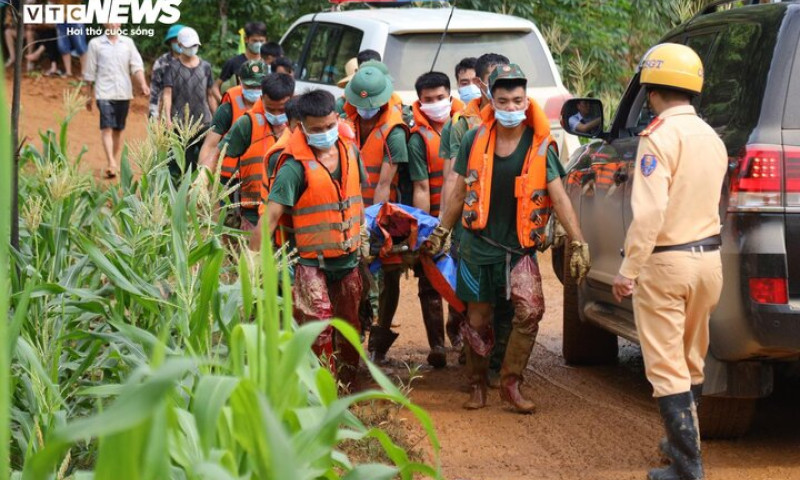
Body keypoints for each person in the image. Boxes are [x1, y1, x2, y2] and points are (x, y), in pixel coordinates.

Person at [424, 64, 590, 413]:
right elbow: (459, 193)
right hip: (478, 245)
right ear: (492, 100)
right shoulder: (473, 138)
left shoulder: (540, 143)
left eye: (518, 101)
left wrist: (577, 240)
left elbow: (558, 195)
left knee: (530, 311)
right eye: (504, 101)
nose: (512, 108)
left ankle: (511, 382)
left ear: (526, 100)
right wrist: (442, 230)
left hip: (519, 249)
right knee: (478, 318)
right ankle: (477, 383)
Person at [612, 43, 726, 480]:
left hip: (667, 263)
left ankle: (686, 466)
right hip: (708, 262)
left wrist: (628, 272)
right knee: (692, 357)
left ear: (651, 89)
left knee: (664, 363)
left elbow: (650, 214)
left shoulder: (658, 137)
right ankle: (680, 445)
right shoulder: (711, 137)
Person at [250, 89, 367, 388]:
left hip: (348, 256)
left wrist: (364, 238)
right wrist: (252, 265)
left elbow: (355, 197)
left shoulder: (349, 150)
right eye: (316, 130)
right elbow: (270, 217)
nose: (325, 134)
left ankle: (348, 389)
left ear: (337, 119)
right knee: (317, 330)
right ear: (301, 126)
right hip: (310, 262)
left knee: (350, 326)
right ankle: (321, 392)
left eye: (329, 127)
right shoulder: (293, 166)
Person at [381, 71, 463, 368]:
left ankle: (461, 336)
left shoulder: (465, 127)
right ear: (420, 102)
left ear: (450, 96)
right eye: (428, 99)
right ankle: (437, 345)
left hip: (465, 222)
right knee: (430, 282)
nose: (435, 103)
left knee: (461, 280)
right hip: (435, 219)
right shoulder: (418, 139)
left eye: (440, 98)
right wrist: (430, 229)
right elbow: (421, 186)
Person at [440, 52, 510, 378]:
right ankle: (478, 365)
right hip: (473, 226)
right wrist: (445, 228)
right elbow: (454, 182)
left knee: (508, 302)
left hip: (510, 228)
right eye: (495, 79)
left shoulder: (523, 122)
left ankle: (499, 367)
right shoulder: (465, 127)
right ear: (484, 84)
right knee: (473, 301)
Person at [342, 62, 409, 363]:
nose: (366, 109)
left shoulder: (394, 132)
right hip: (346, 212)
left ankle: (379, 344)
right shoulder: (344, 124)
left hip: (382, 214)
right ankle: (353, 337)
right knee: (351, 275)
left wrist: (371, 226)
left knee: (389, 275)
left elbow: (384, 182)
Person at [215, 73, 294, 229]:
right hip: (252, 213)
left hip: (289, 214)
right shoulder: (247, 124)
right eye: (271, 109)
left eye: (282, 109)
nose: (277, 115)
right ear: (262, 98)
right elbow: (218, 154)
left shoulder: (301, 125)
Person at [83, 23, 149, 179]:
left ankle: (111, 161)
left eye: (115, 20)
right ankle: (112, 162)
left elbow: (136, 66)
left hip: (123, 93)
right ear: (104, 24)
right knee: (107, 127)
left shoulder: (128, 43)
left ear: (120, 23)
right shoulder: (95, 44)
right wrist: (88, 94)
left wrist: (143, 84)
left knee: (118, 130)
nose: (112, 23)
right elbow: (90, 71)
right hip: (103, 92)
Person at [197, 59, 267, 190]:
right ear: (240, 81)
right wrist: (203, 179)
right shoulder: (227, 109)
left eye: (259, 87)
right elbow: (210, 145)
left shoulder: (274, 108)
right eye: (250, 86)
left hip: (260, 180)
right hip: (228, 180)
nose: (255, 90)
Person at [162, 26, 217, 173]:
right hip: (180, 124)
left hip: (203, 122)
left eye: (194, 45)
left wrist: (217, 118)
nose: (192, 48)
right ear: (180, 46)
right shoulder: (171, 67)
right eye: (188, 46)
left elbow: (210, 94)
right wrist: (167, 119)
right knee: (179, 164)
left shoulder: (206, 67)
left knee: (205, 162)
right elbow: (167, 94)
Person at [213, 21, 267, 101]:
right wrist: (225, 104)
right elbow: (215, 87)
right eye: (255, 41)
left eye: (261, 41)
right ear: (246, 39)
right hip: (239, 110)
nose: (258, 44)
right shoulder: (233, 62)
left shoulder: (269, 63)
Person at [148, 23, 184, 119]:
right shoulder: (162, 63)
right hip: (168, 113)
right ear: (170, 42)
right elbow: (155, 91)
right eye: (175, 40)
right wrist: (153, 115)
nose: (179, 42)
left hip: (192, 114)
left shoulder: (196, 63)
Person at [54, 0, 87, 78]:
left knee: (80, 45)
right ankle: (68, 72)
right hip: (60, 14)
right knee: (62, 45)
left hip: (76, 13)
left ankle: (84, 73)